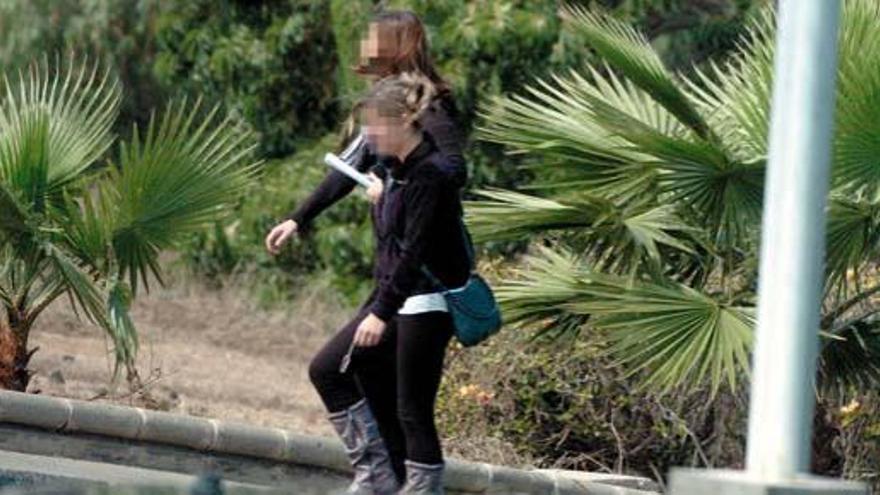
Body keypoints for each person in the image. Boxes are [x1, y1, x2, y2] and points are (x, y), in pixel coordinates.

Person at [263, 11, 467, 495]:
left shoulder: (423, 109)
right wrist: (299, 217)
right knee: (361, 377)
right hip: (395, 276)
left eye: (375, 35)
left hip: (421, 283)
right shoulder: (383, 110)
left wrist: (397, 188)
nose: (365, 42)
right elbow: (348, 167)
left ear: (395, 42)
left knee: (400, 399)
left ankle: (397, 482)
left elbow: (450, 172)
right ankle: (382, 479)